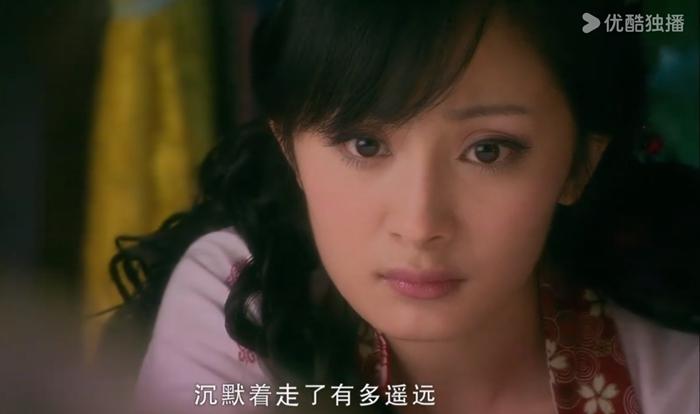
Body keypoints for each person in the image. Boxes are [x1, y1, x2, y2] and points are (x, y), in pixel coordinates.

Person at [107, 0, 700, 413]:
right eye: (365, 145)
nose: (420, 225)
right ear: (289, 149)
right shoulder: (239, 296)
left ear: (577, 165)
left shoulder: (675, 384)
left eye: (488, 151)